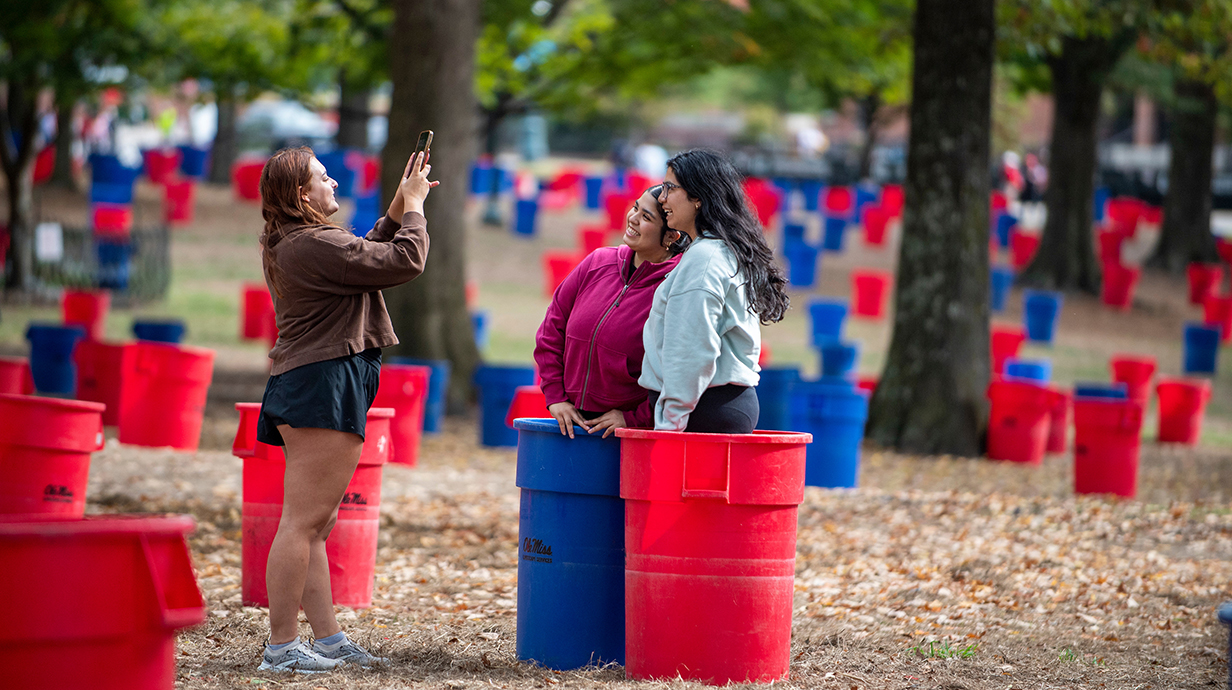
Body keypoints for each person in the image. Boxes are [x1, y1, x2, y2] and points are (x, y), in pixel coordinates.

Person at [255, 145, 436, 672]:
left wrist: (402, 201)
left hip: (316, 380)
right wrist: (418, 208)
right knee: (302, 522)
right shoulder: (312, 244)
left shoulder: (301, 242)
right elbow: (404, 259)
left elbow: (362, 253)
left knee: (317, 522)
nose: (333, 183)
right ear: (299, 194)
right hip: (320, 383)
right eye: (323, 177)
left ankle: (327, 639)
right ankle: (282, 647)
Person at [642, 149, 790, 433]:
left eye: (670, 189)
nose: (661, 198)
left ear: (698, 197)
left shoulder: (705, 258)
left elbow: (692, 349)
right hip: (710, 407)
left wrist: (670, 424)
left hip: (702, 412)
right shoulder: (714, 250)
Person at [534, 185, 688, 438]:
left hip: (626, 434)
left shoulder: (677, 287)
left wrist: (633, 419)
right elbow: (552, 330)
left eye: (647, 217)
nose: (633, 218)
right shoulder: (597, 262)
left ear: (671, 237)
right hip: (570, 424)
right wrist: (555, 398)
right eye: (636, 208)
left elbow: (682, 374)